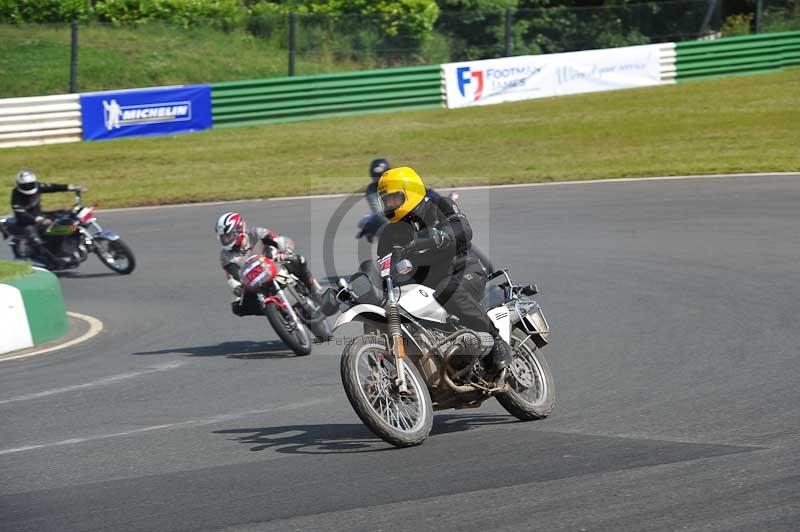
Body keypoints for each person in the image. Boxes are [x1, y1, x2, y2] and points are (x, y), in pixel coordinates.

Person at [375, 166, 513, 371]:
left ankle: (496, 341)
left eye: (394, 198)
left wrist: (442, 236)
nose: (390, 204)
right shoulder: (389, 233)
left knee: (449, 291)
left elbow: (462, 229)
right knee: (388, 312)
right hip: (425, 289)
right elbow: (384, 265)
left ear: (410, 193)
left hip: (463, 271)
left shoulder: (439, 206)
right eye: (386, 200)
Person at [215, 212, 323, 316]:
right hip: (255, 281)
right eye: (223, 237)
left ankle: (313, 289)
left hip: (275, 262)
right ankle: (277, 314)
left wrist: (284, 251)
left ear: (239, 231)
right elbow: (234, 275)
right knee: (238, 307)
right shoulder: (225, 256)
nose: (226, 240)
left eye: (228, 236)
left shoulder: (256, 233)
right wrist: (238, 286)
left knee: (298, 260)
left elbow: (278, 240)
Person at [10, 170, 88, 268]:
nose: (28, 187)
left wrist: (73, 187)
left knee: (65, 216)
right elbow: (21, 213)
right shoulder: (16, 194)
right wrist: (37, 219)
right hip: (26, 221)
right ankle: (52, 261)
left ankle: (67, 246)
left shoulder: (38, 186)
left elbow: (53, 187)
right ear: (19, 185)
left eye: (30, 184)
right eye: (25, 185)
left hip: (40, 215)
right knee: (35, 239)